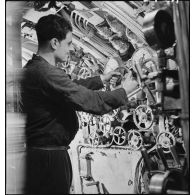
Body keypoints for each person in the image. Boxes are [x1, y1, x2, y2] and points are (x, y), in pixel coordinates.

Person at [20, 14, 138, 194]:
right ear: (54, 43)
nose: (71, 48)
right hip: (49, 159)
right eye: (68, 43)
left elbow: (70, 88)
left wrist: (101, 78)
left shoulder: (36, 69)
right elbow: (91, 102)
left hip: (44, 155)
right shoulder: (45, 73)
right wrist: (125, 91)